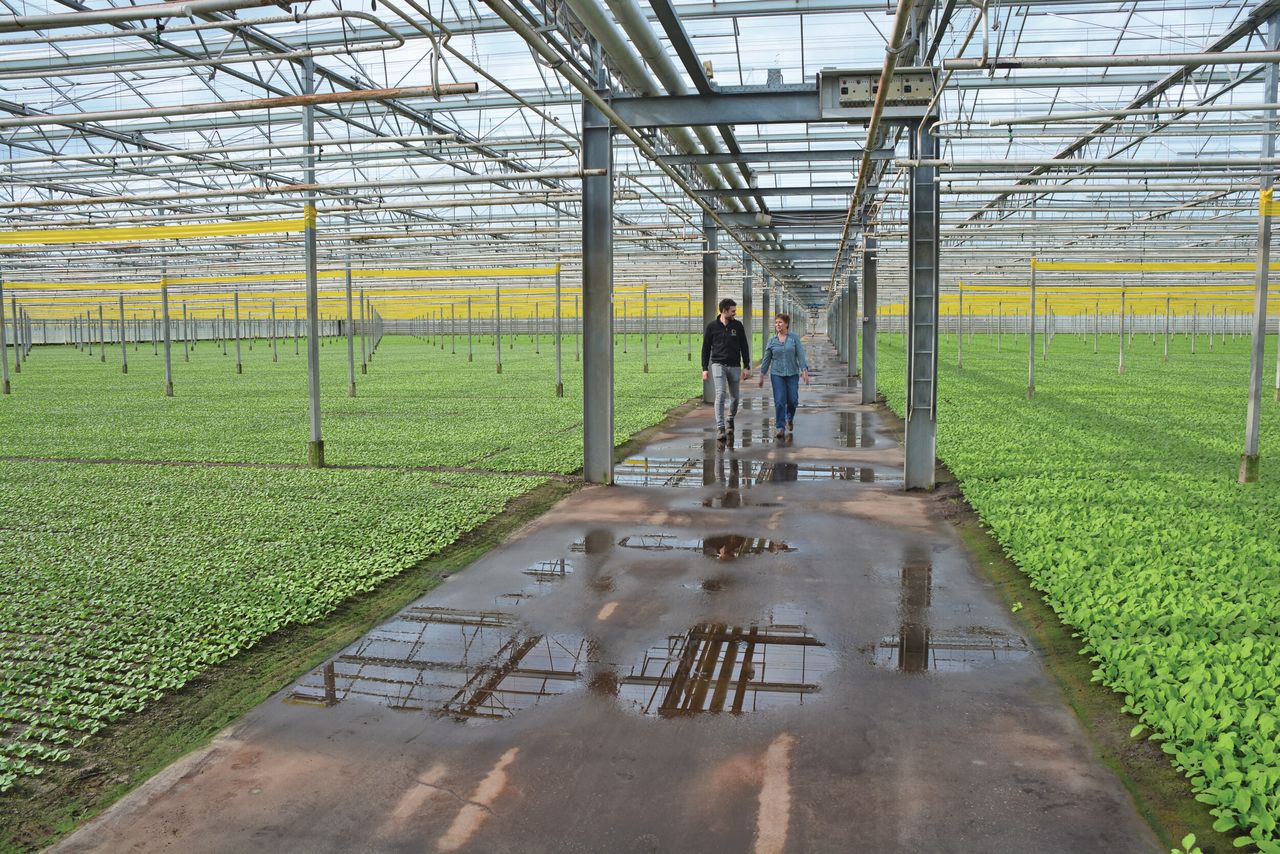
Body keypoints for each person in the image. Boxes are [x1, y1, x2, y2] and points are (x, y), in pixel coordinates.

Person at [701, 297, 750, 441]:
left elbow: (744, 346)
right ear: (724, 311)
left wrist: (746, 366)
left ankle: (730, 419)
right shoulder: (712, 327)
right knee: (720, 394)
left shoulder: (738, 326)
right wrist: (705, 368)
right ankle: (720, 427)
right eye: (733, 311)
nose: (735, 313)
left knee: (735, 398)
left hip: (734, 365)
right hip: (718, 365)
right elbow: (705, 348)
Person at [758, 312, 809, 438]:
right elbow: (766, 359)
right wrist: (762, 374)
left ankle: (789, 418)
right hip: (777, 374)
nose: (777, 325)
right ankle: (780, 427)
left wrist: (804, 370)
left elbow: (800, 355)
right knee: (780, 400)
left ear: (786, 324)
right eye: (776, 323)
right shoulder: (772, 341)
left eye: (780, 322)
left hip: (792, 373)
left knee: (793, 400)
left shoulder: (794, 338)